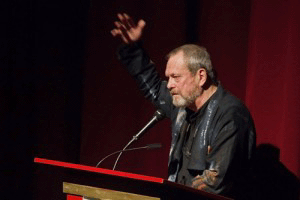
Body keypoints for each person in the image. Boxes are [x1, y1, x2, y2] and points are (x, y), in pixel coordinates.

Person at [111, 13, 256, 199]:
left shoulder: (230, 115)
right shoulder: (183, 105)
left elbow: (215, 185)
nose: (169, 84)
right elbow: (154, 87)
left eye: (176, 77)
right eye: (168, 77)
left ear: (201, 76)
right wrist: (132, 49)